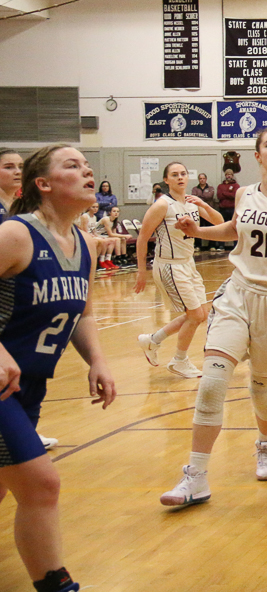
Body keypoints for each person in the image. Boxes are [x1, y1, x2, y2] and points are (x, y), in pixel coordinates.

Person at [160, 128, 267, 506]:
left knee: (263, 391)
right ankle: (196, 476)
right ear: (257, 156)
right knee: (212, 383)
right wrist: (198, 229)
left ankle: (266, 442)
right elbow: (233, 230)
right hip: (236, 295)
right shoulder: (245, 193)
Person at [0, 144, 117, 592]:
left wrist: (98, 360)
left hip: (30, 384)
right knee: (41, 485)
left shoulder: (84, 242)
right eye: (73, 165)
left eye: (87, 165)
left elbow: (82, 312)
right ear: (43, 184)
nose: (87, 171)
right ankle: (58, 586)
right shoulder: (16, 234)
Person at [134, 162, 224, 379]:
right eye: (175, 175)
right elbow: (142, 238)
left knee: (200, 314)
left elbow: (220, 222)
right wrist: (141, 271)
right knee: (195, 315)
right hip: (169, 265)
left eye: (183, 173)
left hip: (188, 263)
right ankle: (179, 360)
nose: (180, 177)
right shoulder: (162, 205)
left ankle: (152, 340)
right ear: (167, 180)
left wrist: (204, 204)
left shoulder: (192, 203)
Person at [0, 149, 58, 453]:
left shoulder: (17, 208)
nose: (16, 171)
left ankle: (23, 431)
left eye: (20, 166)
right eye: (8, 166)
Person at [78, 203, 120, 271]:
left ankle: (103, 260)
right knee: (103, 241)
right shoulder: (85, 216)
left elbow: (93, 230)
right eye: (93, 207)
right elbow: (84, 230)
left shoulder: (94, 217)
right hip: (85, 235)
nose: (95, 209)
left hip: (92, 235)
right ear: (89, 207)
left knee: (109, 241)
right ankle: (96, 261)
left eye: (97, 207)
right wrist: (94, 236)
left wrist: (97, 236)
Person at [191, 172, 217, 252]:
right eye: (200, 178)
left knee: (211, 228)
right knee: (198, 228)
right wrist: (203, 197)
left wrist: (199, 198)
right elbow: (194, 197)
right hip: (199, 211)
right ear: (198, 180)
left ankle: (212, 246)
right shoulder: (195, 188)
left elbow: (209, 196)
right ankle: (197, 245)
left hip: (209, 211)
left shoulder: (211, 188)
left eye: (203, 178)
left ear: (206, 179)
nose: (202, 180)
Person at [216, 169, 239, 251]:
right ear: (225, 175)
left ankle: (236, 246)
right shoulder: (220, 186)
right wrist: (229, 193)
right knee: (222, 227)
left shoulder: (236, 185)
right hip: (223, 209)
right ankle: (221, 246)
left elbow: (235, 195)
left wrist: (225, 193)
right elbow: (219, 196)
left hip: (233, 209)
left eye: (230, 174)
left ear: (232, 176)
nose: (228, 176)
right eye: (227, 174)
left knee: (235, 227)